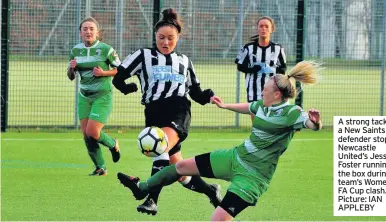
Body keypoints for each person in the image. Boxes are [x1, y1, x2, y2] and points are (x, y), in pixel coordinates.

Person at [117, 61, 323, 221]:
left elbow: (310, 124)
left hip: (253, 178)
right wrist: (225, 106)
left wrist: (316, 122)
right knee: (180, 166)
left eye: (265, 89)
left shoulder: (292, 113)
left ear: (276, 94)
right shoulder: (263, 105)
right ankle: (142, 187)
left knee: (218, 220)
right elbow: (248, 106)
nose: (262, 91)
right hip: (234, 157)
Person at [112, 8, 222, 216]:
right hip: (153, 113)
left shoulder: (185, 62)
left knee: (160, 148)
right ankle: (211, 191)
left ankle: (150, 198)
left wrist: (208, 96)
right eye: (161, 37)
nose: (165, 42)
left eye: (170, 38)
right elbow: (118, 78)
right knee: (180, 172)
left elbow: (196, 92)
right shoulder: (143, 55)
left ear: (178, 37)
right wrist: (127, 88)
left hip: (178, 110)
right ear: (155, 37)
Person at [67, 17, 121, 176]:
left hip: (102, 96)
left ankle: (113, 144)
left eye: (91, 28)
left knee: (92, 132)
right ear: (80, 33)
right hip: (84, 96)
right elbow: (70, 76)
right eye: (85, 29)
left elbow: (121, 69)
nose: (88, 31)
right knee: (86, 135)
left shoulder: (106, 49)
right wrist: (71, 69)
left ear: (97, 32)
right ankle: (100, 167)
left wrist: (104, 73)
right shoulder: (75, 51)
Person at [235, 16, 287, 121]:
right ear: (257, 29)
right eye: (261, 26)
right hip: (253, 89)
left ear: (272, 29)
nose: (264, 29)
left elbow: (283, 68)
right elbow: (240, 66)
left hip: (272, 90)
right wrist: (253, 69)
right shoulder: (248, 48)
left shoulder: (278, 49)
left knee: (270, 119)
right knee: (256, 120)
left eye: (266, 26)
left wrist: (273, 72)